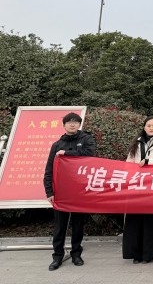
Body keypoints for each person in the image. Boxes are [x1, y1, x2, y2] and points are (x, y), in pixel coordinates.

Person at [43, 112, 96, 271]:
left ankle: (76, 254)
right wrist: (49, 192)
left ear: (79, 124)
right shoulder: (57, 145)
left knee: (78, 224)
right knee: (60, 226)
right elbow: (49, 170)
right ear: (64, 125)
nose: (72, 124)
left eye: (75, 122)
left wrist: (67, 153)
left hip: (79, 190)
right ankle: (57, 256)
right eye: (69, 122)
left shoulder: (86, 139)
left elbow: (90, 153)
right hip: (61, 192)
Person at [122, 116, 153, 264]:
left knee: (152, 221)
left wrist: (149, 162)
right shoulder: (137, 143)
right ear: (144, 127)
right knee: (134, 221)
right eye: (148, 125)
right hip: (136, 186)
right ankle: (135, 253)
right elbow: (128, 164)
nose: (151, 128)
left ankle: (149, 253)